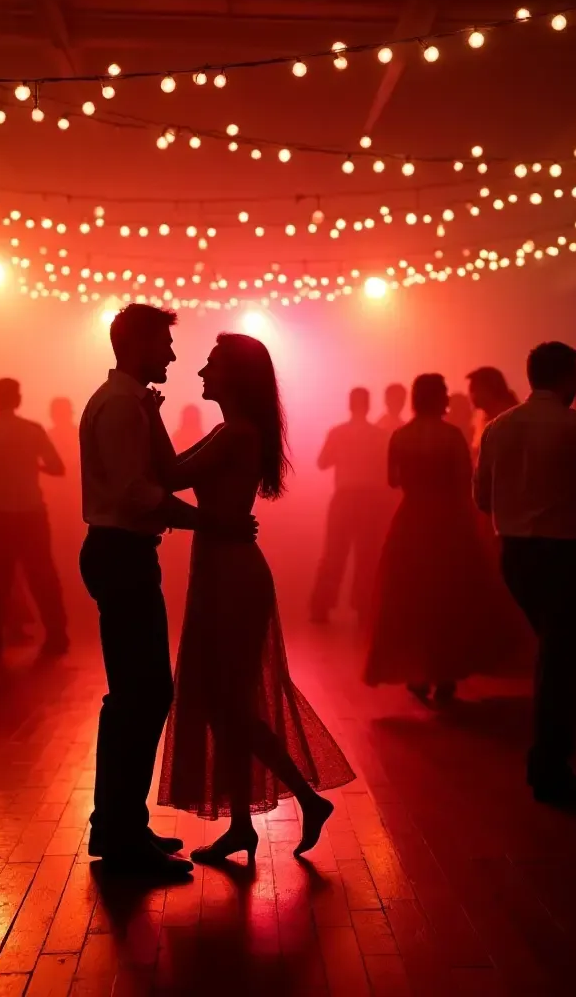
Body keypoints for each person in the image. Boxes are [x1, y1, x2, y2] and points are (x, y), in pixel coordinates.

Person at [158, 334, 355, 862]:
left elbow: (167, 476)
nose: (201, 371)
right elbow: (172, 473)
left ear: (235, 377)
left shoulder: (236, 434)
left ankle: (304, 801)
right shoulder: (231, 431)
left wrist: (147, 414)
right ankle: (246, 822)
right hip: (222, 571)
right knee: (226, 708)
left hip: (231, 577)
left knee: (229, 705)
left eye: (212, 365)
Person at [79, 304, 256, 877]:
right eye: (164, 345)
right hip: (123, 553)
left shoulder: (127, 403)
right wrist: (214, 524)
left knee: (137, 693)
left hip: (122, 553)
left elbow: (154, 481)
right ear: (136, 345)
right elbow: (138, 493)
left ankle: (119, 825)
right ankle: (121, 834)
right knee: (142, 693)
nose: (174, 357)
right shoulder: (123, 407)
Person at [475, 342, 576, 804]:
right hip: (567, 557)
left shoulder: (499, 428)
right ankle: (550, 766)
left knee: (552, 656)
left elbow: (483, 500)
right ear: (567, 379)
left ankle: (548, 762)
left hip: (517, 556)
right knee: (563, 662)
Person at [365, 375, 526, 701]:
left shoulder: (400, 435)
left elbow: (392, 481)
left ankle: (418, 672)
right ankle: (445, 673)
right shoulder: (452, 435)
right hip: (448, 521)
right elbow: (465, 479)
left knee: (411, 596)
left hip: (411, 520)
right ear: (438, 400)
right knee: (448, 595)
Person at [0, 378, 69, 659]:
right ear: (17, 398)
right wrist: (35, 467)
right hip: (32, 511)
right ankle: (58, 636)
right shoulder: (32, 430)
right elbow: (58, 468)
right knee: (43, 575)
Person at [309, 387, 389, 624]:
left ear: (350, 405)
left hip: (344, 497)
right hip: (370, 499)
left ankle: (321, 606)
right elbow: (386, 468)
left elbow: (322, 463)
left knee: (334, 552)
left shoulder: (338, 432)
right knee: (367, 554)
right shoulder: (380, 435)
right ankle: (364, 605)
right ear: (368, 405)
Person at [467, 366, 518, 461]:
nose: (470, 395)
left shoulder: (509, 420)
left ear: (490, 389)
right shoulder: (481, 418)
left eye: (474, 389)